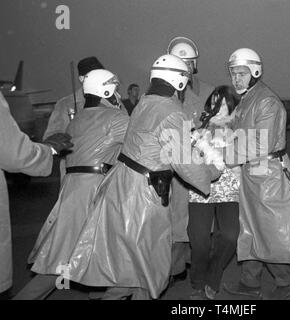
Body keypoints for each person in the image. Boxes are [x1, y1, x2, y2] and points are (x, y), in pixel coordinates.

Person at [66, 54, 219, 300]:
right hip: (145, 195)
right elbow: (185, 164)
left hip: (124, 186)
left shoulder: (146, 101)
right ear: (179, 81)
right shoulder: (170, 111)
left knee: (132, 263)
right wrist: (212, 171)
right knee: (150, 261)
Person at [13, 69, 129, 300]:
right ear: (106, 90)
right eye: (114, 89)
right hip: (95, 191)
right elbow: (140, 144)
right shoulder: (117, 119)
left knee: (68, 254)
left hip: (73, 189)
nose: (118, 94)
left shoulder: (78, 119)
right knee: (116, 254)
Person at [223, 48, 290, 300]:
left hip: (268, 174)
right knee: (250, 229)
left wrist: (224, 154)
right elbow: (235, 130)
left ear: (255, 72)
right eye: (233, 74)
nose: (236, 79)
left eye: (242, 73)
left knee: (269, 232)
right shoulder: (248, 98)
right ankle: (250, 283)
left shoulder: (266, 101)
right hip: (253, 173)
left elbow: (260, 144)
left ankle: (285, 283)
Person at [0, 92, 72, 297]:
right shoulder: (65, 103)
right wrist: (49, 150)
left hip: (100, 186)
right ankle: (60, 284)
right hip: (79, 185)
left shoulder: (117, 106)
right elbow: (14, 152)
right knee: (67, 242)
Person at [167, 36, 215, 284]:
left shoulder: (208, 92)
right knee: (175, 219)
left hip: (200, 163)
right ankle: (176, 268)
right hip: (172, 168)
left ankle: (197, 265)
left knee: (199, 221)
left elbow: (221, 125)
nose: (184, 68)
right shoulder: (164, 92)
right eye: (179, 62)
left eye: (188, 63)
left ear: (194, 65)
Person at [187, 86, 240, 300]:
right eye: (216, 103)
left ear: (232, 107)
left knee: (229, 235)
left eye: (225, 104)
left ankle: (214, 275)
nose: (220, 109)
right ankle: (198, 282)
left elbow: (244, 158)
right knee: (199, 240)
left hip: (229, 189)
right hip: (202, 190)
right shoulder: (197, 129)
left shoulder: (239, 131)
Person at [43, 56, 104, 182]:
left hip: (106, 172)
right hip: (75, 174)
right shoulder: (66, 104)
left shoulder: (112, 102)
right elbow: (52, 138)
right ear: (82, 79)